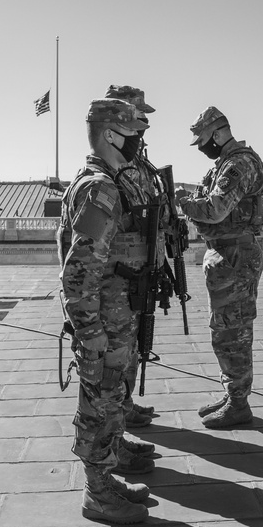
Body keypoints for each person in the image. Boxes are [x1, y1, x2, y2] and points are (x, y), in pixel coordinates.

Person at [58, 98, 153, 525]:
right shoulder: (100, 188)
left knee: (111, 399)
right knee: (100, 401)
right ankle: (96, 492)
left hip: (116, 313)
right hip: (104, 320)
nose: (138, 141)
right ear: (112, 134)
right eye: (132, 134)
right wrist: (89, 329)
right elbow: (78, 269)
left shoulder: (108, 180)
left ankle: (105, 478)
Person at [179, 107, 263, 429]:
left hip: (235, 255)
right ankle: (232, 394)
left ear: (217, 134)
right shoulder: (227, 163)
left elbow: (216, 210)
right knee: (224, 329)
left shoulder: (238, 164)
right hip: (227, 253)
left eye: (203, 140)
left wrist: (182, 202)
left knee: (233, 332)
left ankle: (239, 403)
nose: (202, 147)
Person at [104, 85, 159, 436]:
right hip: (117, 278)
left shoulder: (138, 160)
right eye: (138, 114)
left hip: (139, 270)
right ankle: (115, 421)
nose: (143, 122)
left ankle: (124, 405)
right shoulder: (113, 164)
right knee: (116, 351)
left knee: (133, 344)